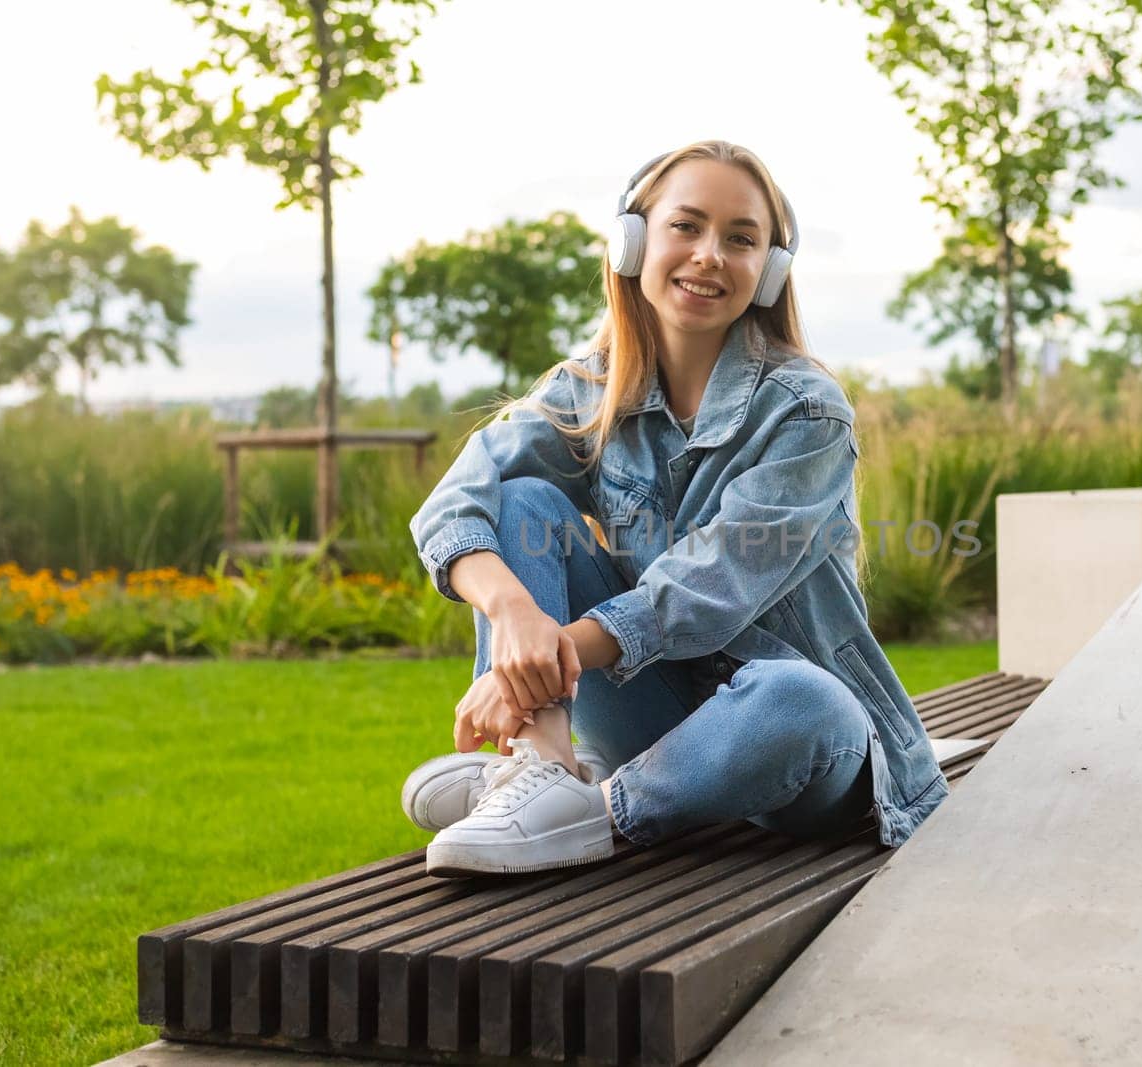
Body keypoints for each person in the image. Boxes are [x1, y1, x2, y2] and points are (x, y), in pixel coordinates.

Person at [403, 140, 947, 877]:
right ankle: (541, 763)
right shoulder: (589, 390)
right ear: (633, 243)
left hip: (795, 749)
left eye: (741, 239)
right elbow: (462, 493)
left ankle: (583, 810)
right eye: (686, 227)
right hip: (658, 717)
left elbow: (708, 587)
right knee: (523, 498)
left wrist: (543, 660)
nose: (709, 255)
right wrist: (510, 617)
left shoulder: (808, 412)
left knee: (805, 699)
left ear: (770, 271)